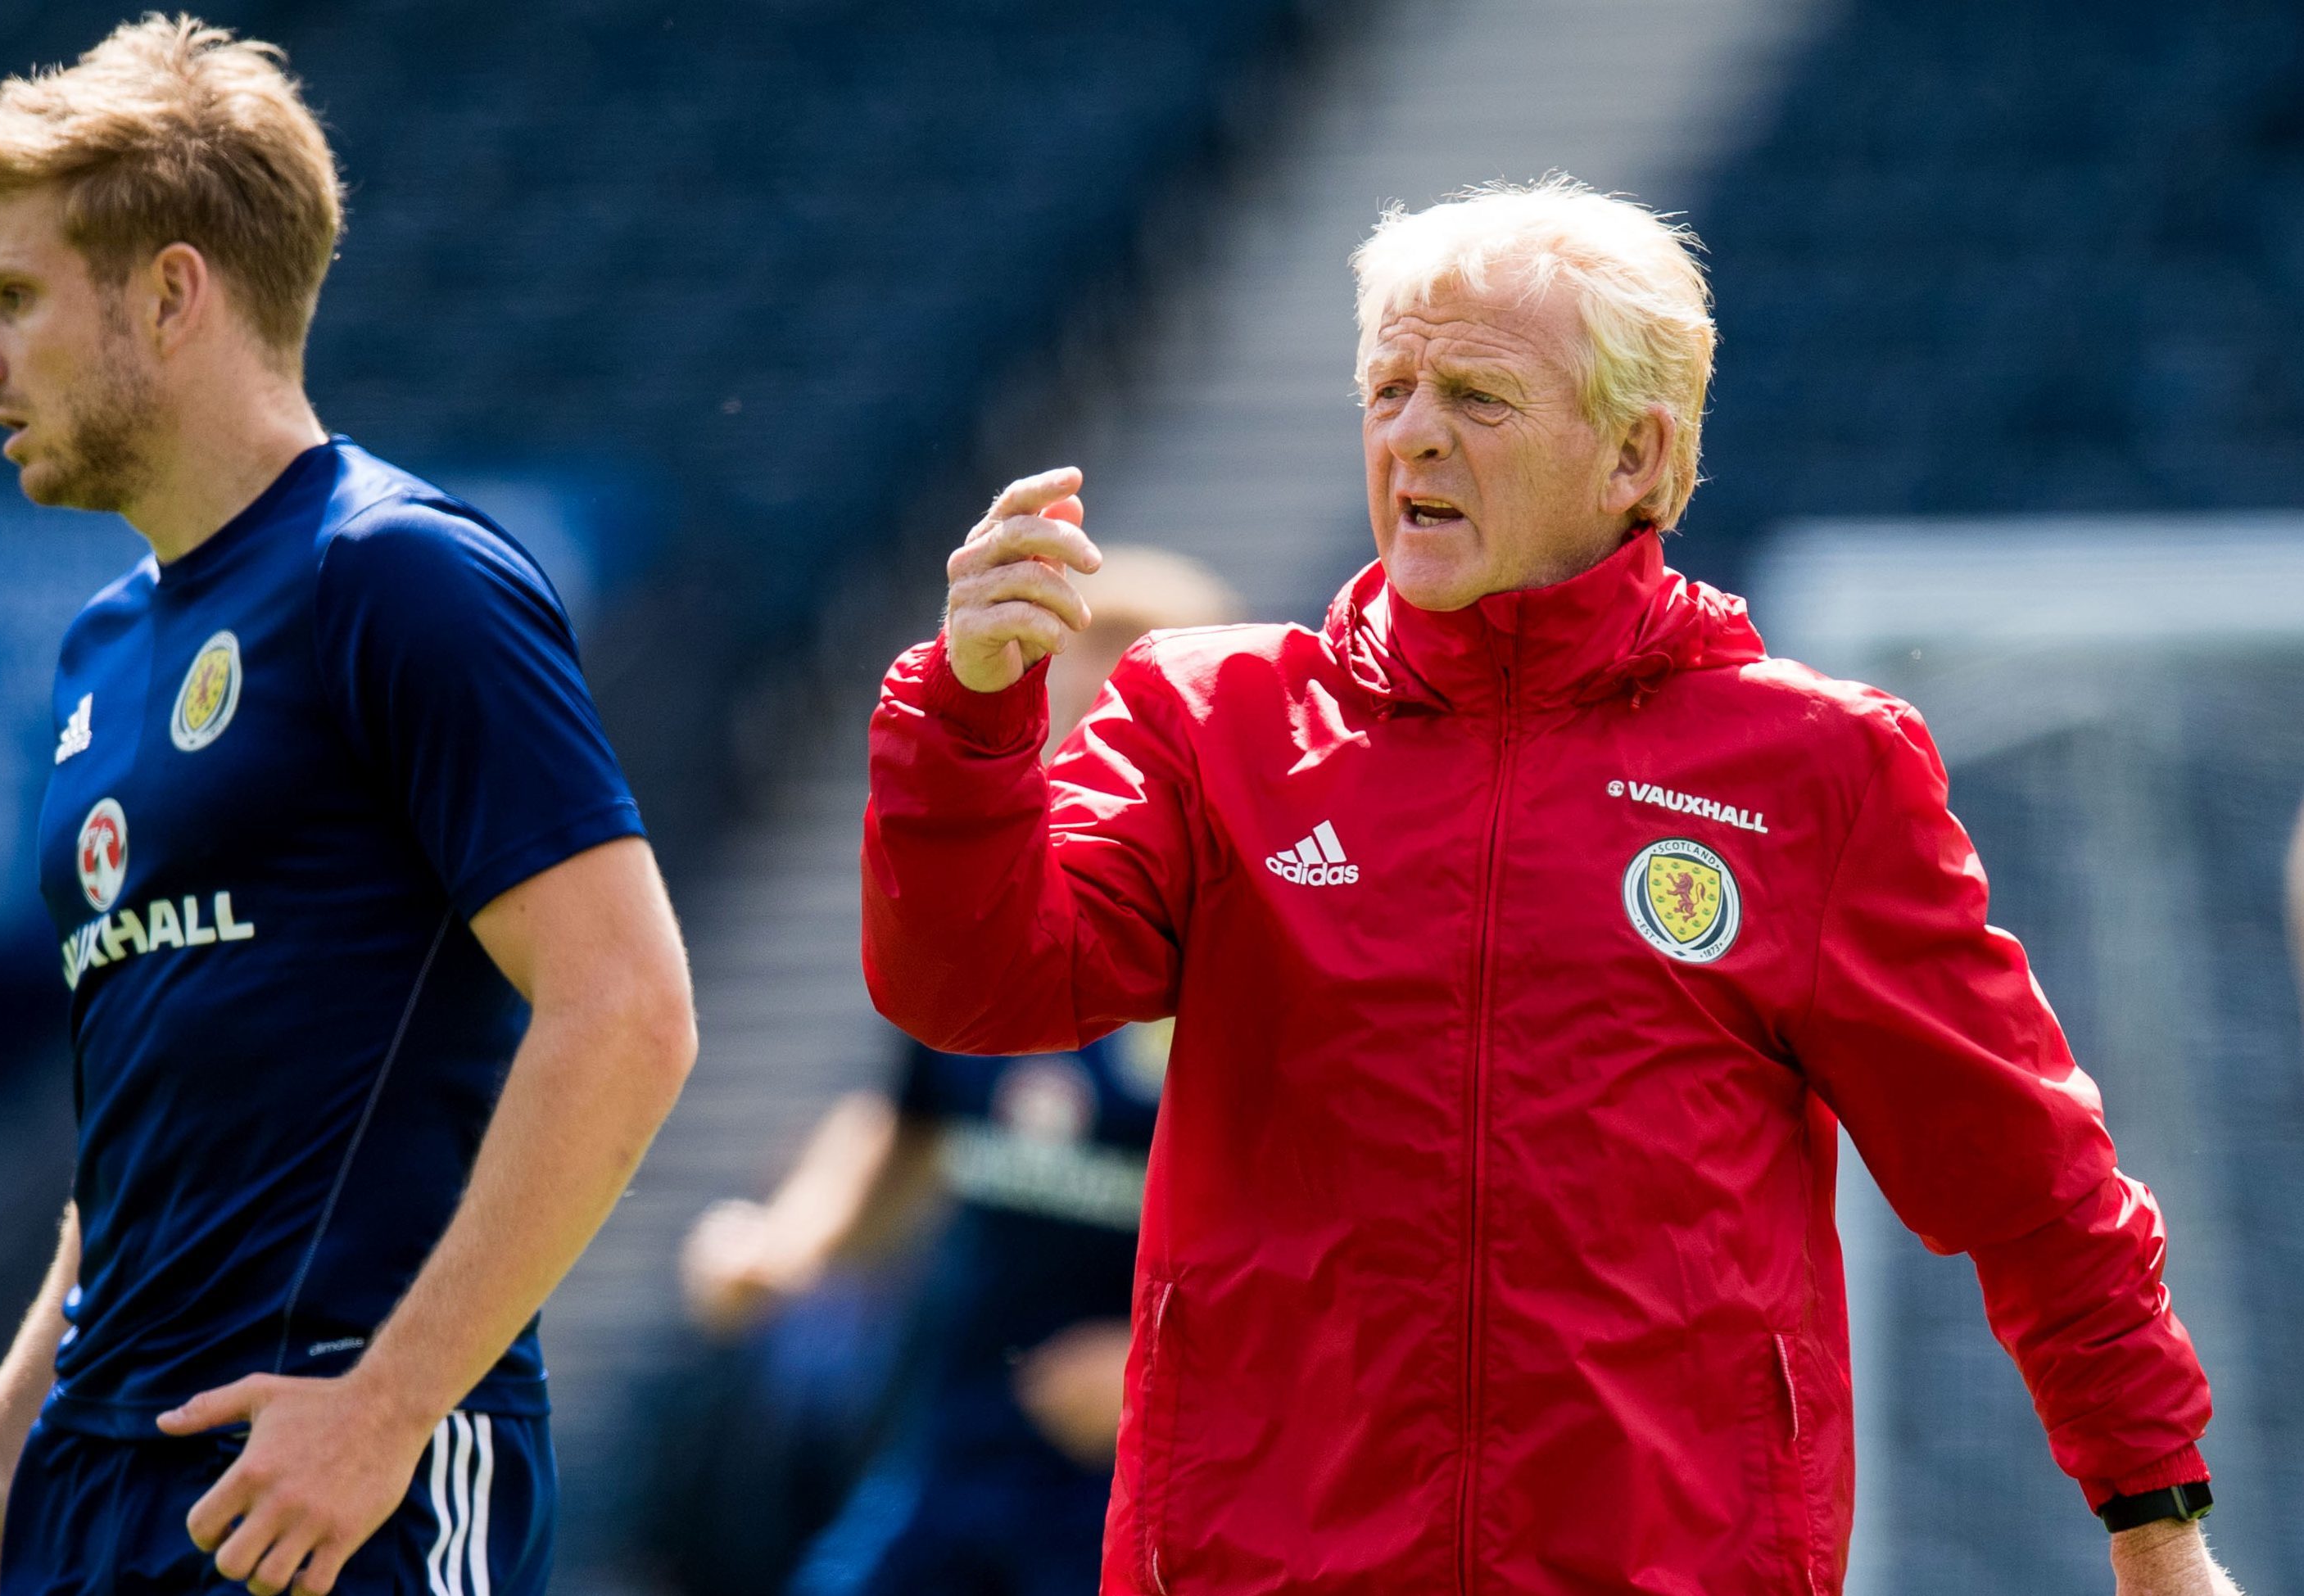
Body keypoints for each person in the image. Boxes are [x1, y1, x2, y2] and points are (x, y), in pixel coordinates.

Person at [859, 178, 2238, 1595]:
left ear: (1635, 453)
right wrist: (967, 723)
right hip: (1256, 1562)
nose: (1412, 432)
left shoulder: (1817, 767)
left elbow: (2025, 1176)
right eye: (1388, 387)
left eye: (1476, 393)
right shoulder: (1207, 719)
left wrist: (2156, 1518)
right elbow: (979, 988)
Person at [0, 20, 696, 1596]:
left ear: (172, 293)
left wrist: (388, 1406)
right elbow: (141, 1144)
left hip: (320, 1488)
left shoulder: (398, 574)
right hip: (94, 1488)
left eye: (10, 297)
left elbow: (629, 1008)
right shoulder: (103, 644)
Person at [680, 550, 1238, 1596]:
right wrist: (790, 1242)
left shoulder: (1253, 928)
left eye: (1133, 693)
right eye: (1077, 685)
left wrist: (1172, 1361)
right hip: (960, 1439)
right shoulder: (1012, 917)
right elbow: (909, 1120)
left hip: (1168, 1475)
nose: (1092, 715)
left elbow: (1332, 1211)